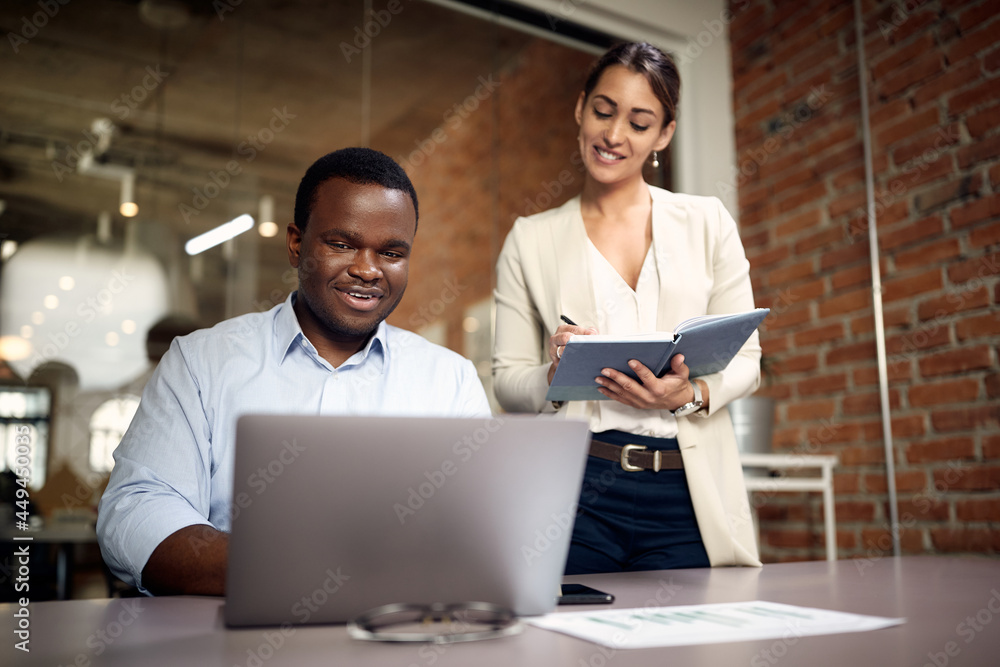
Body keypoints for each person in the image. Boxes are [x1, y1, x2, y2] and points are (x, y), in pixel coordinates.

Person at [98, 148, 491, 596]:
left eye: (391, 252)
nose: (367, 269)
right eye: (342, 244)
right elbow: (136, 512)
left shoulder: (450, 380)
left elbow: (478, 527)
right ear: (296, 243)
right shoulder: (201, 362)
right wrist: (298, 567)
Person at [492, 42, 761, 573]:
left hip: (687, 490)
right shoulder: (530, 239)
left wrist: (689, 394)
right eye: (603, 111)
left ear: (663, 135)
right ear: (580, 108)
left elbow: (747, 358)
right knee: (572, 647)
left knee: (688, 648)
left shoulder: (707, 223)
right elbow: (506, 381)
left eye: (639, 123)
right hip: (577, 492)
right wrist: (554, 372)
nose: (614, 135)